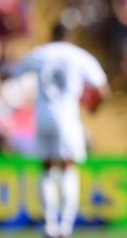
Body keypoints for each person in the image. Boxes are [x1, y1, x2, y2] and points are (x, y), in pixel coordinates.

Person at [8, 23, 110, 238]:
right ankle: (65, 226)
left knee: (46, 169)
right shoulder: (79, 55)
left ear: (51, 35)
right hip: (66, 118)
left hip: (43, 116)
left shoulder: (40, 53)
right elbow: (103, 90)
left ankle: (49, 224)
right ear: (71, 36)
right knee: (68, 168)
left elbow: (14, 73)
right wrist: (92, 108)